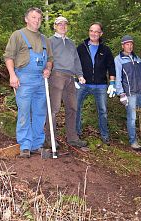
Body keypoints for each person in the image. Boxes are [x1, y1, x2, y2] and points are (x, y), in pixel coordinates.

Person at [4, 7, 53, 158]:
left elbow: (50, 59)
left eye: (39, 18)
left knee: (39, 113)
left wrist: (48, 69)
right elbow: (8, 57)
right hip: (23, 79)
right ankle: (25, 146)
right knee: (24, 112)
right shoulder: (18, 35)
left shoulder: (45, 39)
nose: (37, 21)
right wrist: (12, 75)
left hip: (40, 80)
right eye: (33, 17)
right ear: (26, 19)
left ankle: (37, 145)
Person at [46, 16, 88, 150]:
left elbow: (76, 60)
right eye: (60, 24)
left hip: (71, 78)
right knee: (54, 108)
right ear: (55, 26)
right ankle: (50, 138)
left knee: (72, 107)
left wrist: (80, 75)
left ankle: (72, 137)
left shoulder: (71, 43)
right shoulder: (50, 41)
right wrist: (47, 70)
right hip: (57, 75)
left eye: (65, 24)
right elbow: (46, 58)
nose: (63, 26)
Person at [76, 22, 116, 146]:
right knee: (76, 107)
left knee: (103, 111)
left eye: (96, 31)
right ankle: (76, 133)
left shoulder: (105, 49)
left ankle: (105, 135)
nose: (93, 33)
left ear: (101, 33)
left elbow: (111, 66)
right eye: (91, 30)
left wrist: (112, 83)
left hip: (101, 85)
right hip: (83, 84)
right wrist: (76, 78)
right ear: (89, 32)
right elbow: (75, 63)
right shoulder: (81, 47)